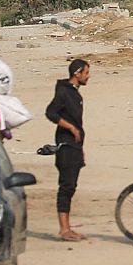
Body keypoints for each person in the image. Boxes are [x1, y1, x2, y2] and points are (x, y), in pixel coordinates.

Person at [44, 59, 89, 242]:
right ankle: (64, 229)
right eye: (86, 72)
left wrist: (81, 148)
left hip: (74, 147)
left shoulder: (75, 94)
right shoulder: (63, 92)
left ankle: (67, 227)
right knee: (66, 187)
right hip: (66, 147)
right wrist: (70, 128)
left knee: (71, 187)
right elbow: (50, 112)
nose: (88, 76)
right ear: (77, 73)